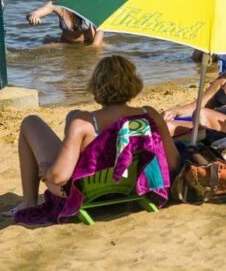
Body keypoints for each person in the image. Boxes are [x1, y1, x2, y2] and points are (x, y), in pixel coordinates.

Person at [9, 55, 180, 218]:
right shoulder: (149, 115)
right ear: (133, 83)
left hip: (84, 193)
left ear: (97, 85)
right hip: (131, 187)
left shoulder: (84, 124)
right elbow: (172, 163)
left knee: (30, 122)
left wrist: (47, 170)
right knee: (73, 114)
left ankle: (29, 202)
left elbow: (59, 178)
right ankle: (71, 155)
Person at [26, 0, 105, 46]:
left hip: (89, 44)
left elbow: (100, 28)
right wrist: (33, 17)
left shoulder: (87, 4)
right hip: (67, 45)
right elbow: (33, 14)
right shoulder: (56, 4)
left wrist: (94, 47)